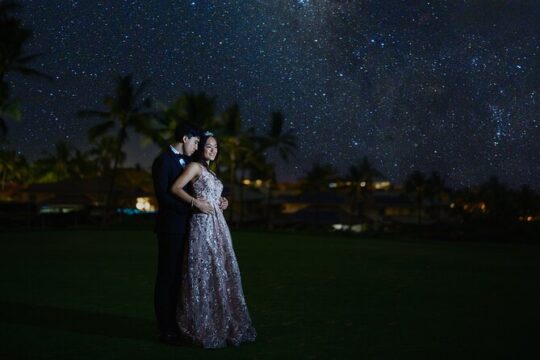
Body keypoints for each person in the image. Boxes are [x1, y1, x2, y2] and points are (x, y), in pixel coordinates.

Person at [171, 132, 257, 348]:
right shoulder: (195, 167)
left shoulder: (210, 171)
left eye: (216, 147)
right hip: (202, 225)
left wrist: (222, 201)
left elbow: (211, 193)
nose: (212, 150)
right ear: (201, 148)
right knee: (204, 270)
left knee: (220, 270)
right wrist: (195, 203)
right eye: (208, 146)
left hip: (218, 225)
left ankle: (222, 322)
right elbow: (175, 188)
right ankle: (201, 323)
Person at [151, 124, 210, 345]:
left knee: (182, 278)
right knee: (167, 277)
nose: (197, 147)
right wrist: (193, 207)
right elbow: (164, 196)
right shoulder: (163, 160)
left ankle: (179, 324)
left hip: (189, 228)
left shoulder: (192, 163)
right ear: (184, 139)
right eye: (195, 142)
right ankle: (165, 328)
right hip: (171, 228)